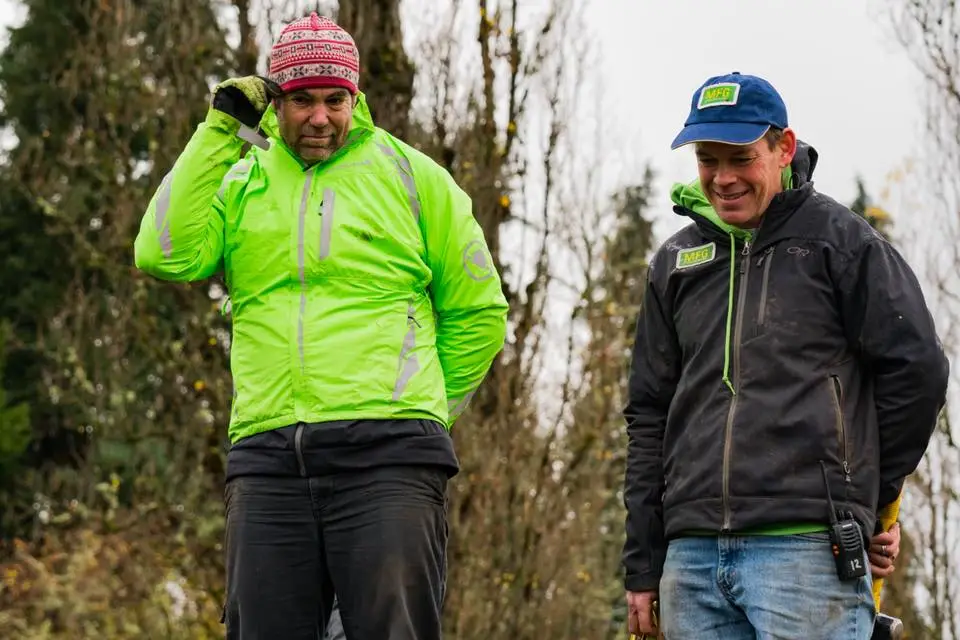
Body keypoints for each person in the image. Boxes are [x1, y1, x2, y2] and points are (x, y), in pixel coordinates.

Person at [134, 12, 508, 639]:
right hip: (268, 460)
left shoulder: (415, 179)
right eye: (302, 100)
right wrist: (220, 130)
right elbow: (163, 252)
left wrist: (425, 409)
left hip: (389, 460)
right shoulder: (240, 181)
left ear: (355, 99)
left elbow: (479, 311)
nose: (319, 117)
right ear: (277, 101)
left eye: (336, 100)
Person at [621, 71, 948, 639]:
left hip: (806, 556)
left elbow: (917, 371)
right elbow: (648, 416)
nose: (722, 178)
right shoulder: (673, 264)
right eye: (707, 159)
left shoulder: (842, 245)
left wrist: (865, 497)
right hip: (690, 563)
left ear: (783, 149)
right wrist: (644, 566)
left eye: (740, 157)